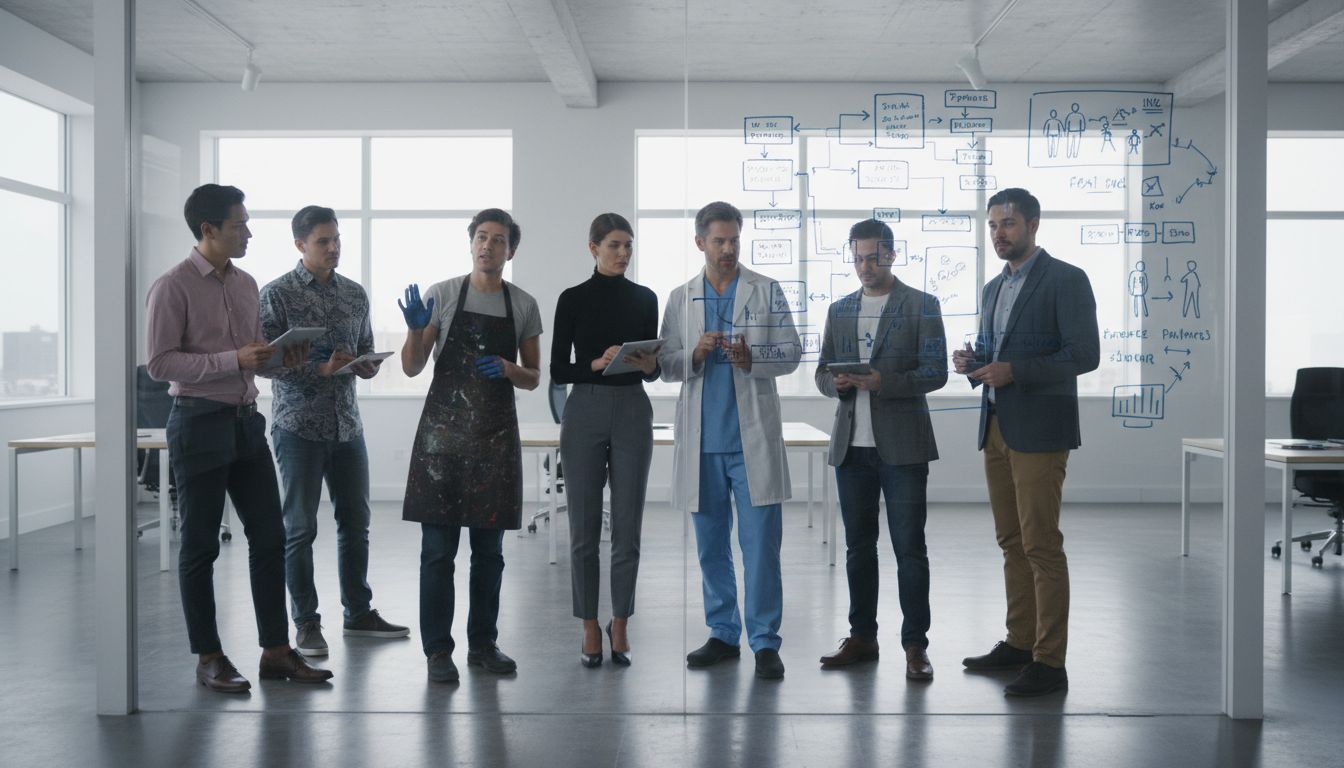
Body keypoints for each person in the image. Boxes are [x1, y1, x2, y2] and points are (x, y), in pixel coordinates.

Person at [146, 183, 333, 693]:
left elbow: (256, 360)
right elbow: (161, 362)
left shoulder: (247, 284)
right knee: (201, 545)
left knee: (271, 538)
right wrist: (235, 361)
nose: (248, 231)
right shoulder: (173, 286)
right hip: (198, 422)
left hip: (247, 422)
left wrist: (281, 358)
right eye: (239, 225)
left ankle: (275, 651)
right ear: (208, 230)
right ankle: (209, 656)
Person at [952, 187, 1099, 697]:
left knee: (1041, 544)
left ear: (1034, 224)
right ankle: (1019, 641)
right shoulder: (994, 289)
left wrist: (1017, 371)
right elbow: (999, 356)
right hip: (995, 426)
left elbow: (1085, 355)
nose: (999, 233)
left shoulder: (1066, 280)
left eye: (1008, 224)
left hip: (1040, 429)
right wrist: (976, 363)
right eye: (993, 225)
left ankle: (1050, 661)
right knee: (1011, 541)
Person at [658, 201, 800, 680]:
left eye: (734, 240)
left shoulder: (766, 289)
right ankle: (722, 633)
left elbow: (792, 353)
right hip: (702, 442)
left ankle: (764, 642)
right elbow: (665, 364)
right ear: (700, 242)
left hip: (751, 439)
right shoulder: (681, 297)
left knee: (761, 547)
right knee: (711, 547)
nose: (727, 249)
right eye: (718, 241)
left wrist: (750, 358)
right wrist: (693, 354)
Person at [258, 205, 409, 659]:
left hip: (347, 427)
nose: (333, 247)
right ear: (300, 244)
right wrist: (317, 370)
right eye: (324, 241)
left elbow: (362, 352)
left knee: (356, 525)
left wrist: (364, 366)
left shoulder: (355, 295)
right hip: (298, 427)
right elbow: (265, 363)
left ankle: (358, 613)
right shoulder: (276, 294)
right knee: (300, 529)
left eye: (337, 239)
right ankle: (306, 623)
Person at [399, 208, 542, 684]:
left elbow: (534, 378)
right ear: (471, 243)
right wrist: (417, 330)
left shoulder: (522, 304)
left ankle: (484, 644)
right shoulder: (442, 295)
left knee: (489, 553)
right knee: (437, 552)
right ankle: (438, 651)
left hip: (495, 442)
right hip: (441, 442)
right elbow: (413, 367)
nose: (488, 246)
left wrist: (507, 368)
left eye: (498, 240)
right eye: (481, 237)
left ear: (510, 251)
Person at [815, 219, 947, 680]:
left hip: (904, 449)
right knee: (858, 549)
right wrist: (837, 384)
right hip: (852, 449)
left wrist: (882, 382)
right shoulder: (839, 309)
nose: (864, 267)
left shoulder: (922, 306)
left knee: (910, 549)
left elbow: (936, 372)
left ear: (892, 254)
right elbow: (820, 373)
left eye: (872, 257)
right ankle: (862, 638)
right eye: (857, 258)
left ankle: (915, 646)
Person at [550, 213, 659, 668]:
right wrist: (597, 363)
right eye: (614, 245)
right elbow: (558, 370)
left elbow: (653, 367)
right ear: (593, 247)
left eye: (628, 246)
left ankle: (620, 621)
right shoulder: (572, 299)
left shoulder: (645, 298)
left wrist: (644, 363)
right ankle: (588, 625)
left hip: (633, 406)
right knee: (584, 529)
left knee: (629, 527)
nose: (622, 254)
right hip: (586, 408)